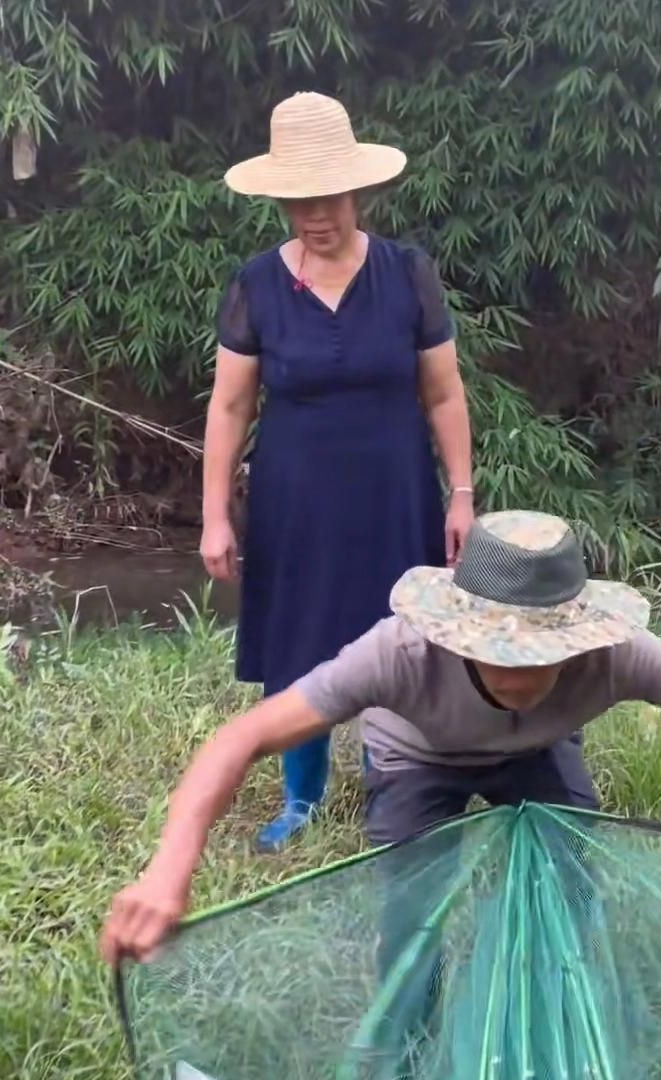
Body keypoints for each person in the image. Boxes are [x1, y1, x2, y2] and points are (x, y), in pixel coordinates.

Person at [102, 510, 661, 967]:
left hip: (537, 758)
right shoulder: (398, 654)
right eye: (493, 650)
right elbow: (240, 738)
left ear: (579, 634)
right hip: (419, 758)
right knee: (410, 920)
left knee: (571, 897)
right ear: (454, 630)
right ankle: (397, 1062)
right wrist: (167, 874)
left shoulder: (617, 655)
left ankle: (570, 1027)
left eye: (538, 652)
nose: (515, 671)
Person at [200, 91, 473, 853]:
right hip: (295, 498)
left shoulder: (406, 272)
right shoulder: (256, 285)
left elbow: (445, 393)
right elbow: (228, 409)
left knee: (409, 638)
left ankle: (411, 779)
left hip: (395, 490)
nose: (315, 216)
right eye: (297, 202)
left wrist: (461, 495)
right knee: (301, 640)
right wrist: (215, 513)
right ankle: (302, 796)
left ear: (357, 190)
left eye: (327, 199)